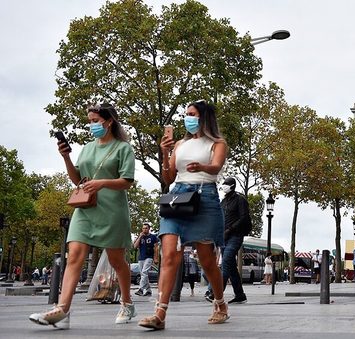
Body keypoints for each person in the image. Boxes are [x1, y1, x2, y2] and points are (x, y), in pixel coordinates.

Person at [29, 103, 136, 328]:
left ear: (109, 122)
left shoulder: (123, 148)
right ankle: (62, 310)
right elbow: (78, 180)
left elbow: (127, 181)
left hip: (112, 210)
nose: (91, 125)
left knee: (117, 261)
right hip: (85, 208)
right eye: (89, 121)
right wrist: (66, 158)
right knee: (74, 255)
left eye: (95, 120)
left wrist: (101, 183)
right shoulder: (87, 148)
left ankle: (127, 302)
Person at [138, 100, 229, 330]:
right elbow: (168, 178)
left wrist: (202, 167)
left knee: (207, 261)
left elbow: (216, 167)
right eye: (186, 114)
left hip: (204, 196)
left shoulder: (217, 143)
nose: (187, 118)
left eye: (192, 114)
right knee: (169, 255)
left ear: (204, 117)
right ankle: (160, 313)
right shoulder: (179, 144)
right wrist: (165, 151)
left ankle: (220, 304)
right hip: (177, 197)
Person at [133, 222, 159, 297]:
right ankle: (148, 290)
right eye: (143, 228)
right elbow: (135, 246)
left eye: (146, 228)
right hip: (141, 258)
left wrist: (156, 258)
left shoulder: (153, 237)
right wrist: (140, 237)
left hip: (149, 257)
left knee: (144, 272)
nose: (144, 229)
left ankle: (141, 289)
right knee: (144, 275)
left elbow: (156, 248)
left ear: (149, 229)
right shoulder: (140, 237)